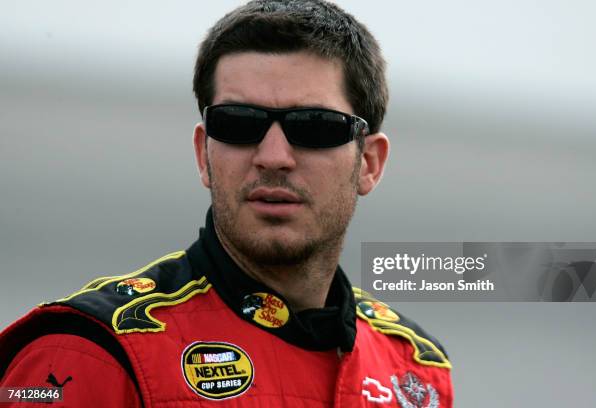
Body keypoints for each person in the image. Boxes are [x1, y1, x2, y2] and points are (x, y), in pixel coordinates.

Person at [0, 1, 453, 406]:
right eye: (239, 123)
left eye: (315, 126)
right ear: (203, 155)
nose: (273, 157)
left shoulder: (416, 373)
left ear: (370, 163)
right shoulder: (89, 350)